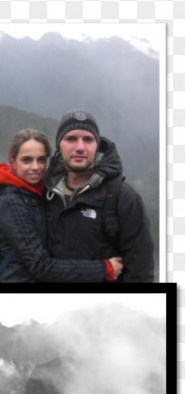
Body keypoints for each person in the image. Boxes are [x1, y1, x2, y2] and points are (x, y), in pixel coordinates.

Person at [0, 128, 123, 283]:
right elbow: (40, 266)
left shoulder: (38, 193)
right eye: (27, 160)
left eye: (41, 160)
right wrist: (104, 269)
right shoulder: (12, 203)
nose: (36, 167)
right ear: (12, 161)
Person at [44, 110, 154, 282]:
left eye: (88, 139)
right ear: (59, 145)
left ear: (97, 145)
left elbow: (140, 271)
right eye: (71, 139)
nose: (80, 147)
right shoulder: (47, 193)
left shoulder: (122, 198)